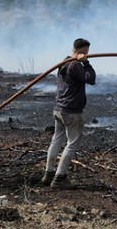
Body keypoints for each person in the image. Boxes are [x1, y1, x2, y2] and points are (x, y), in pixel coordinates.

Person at [41, 38, 96, 189]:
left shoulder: (64, 62)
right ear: (82, 52)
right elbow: (91, 79)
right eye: (86, 52)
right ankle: (60, 177)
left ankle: (48, 174)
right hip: (71, 111)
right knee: (72, 143)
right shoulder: (74, 65)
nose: (87, 54)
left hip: (59, 108)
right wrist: (86, 63)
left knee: (56, 140)